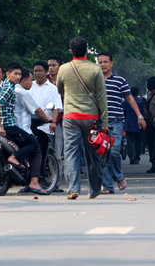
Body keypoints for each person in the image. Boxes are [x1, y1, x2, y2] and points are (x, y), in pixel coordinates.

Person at [58, 36, 108, 199]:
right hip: (91, 117)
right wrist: (105, 122)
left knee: (71, 152)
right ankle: (94, 190)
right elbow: (101, 97)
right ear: (86, 50)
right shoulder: (95, 69)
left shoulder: (64, 69)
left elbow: (60, 90)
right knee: (93, 154)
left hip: (70, 116)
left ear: (71, 51)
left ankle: (73, 188)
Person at [97, 51, 145, 194]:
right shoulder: (94, 81)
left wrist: (140, 117)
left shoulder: (120, 81)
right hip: (98, 122)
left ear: (111, 63)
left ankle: (118, 177)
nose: (103, 64)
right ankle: (107, 186)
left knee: (114, 151)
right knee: (102, 153)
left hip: (116, 121)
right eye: (100, 62)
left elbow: (130, 99)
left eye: (105, 62)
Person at [0, 62, 45, 195]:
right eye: (15, 74)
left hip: (2, 126)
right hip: (9, 126)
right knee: (34, 144)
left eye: (19, 74)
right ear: (8, 74)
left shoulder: (3, 86)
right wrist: (0, 125)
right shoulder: (10, 89)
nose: (17, 77)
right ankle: (15, 158)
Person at [29, 61, 63, 191]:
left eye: (40, 71)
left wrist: (53, 122)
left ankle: (56, 184)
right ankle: (32, 181)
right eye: (35, 71)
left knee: (56, 154)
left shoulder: (53, 88)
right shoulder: (29, 86)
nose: (37, 73)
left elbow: (57, 107)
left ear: (46, 72)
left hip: (48, 126)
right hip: (30, 126)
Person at [124, 87, 145, 164]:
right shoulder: (140, 101)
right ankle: (137, 157)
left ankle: (131, 157)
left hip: (129, 124)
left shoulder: (126, 102)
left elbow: (124, 113)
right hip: (138, 124)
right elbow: (143, 113)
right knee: (138, 142)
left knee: (130, 142)